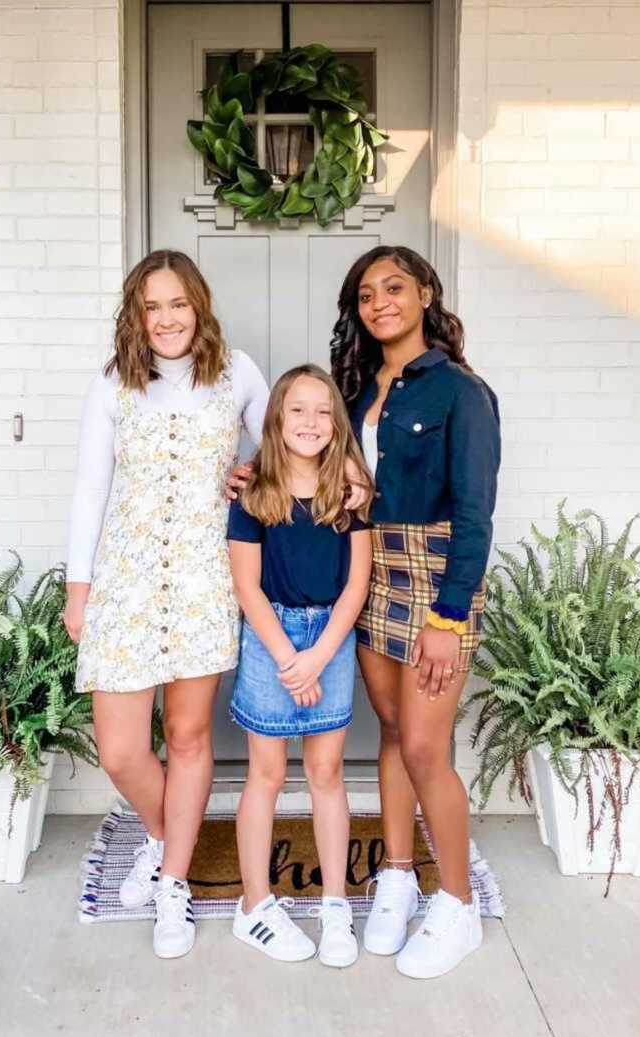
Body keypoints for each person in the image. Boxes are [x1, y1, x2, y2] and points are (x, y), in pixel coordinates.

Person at [63, 250, 268, 960]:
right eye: (153, 306)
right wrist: (77, 587)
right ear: (137, 314)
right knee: (121, 749)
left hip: (205, 581)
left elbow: (294, 449)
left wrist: (255, 472)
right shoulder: (114, 381)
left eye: (178, 303)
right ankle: (164, 834)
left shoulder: (237, 372)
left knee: (187, 738)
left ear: (198, 305)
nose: (168, 318)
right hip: (122, 580)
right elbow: (90, 489)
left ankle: (174, 882)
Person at [331, 244, 500, 979]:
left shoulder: (460, 392)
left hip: (437, 583)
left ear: (426, 293)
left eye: (394, 287)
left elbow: (476, 514)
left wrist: (449, 617)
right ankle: (397, 874)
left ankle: (456, 904)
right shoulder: (361, 388)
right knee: (394, 733)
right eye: (366, 295)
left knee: (428, 748)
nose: (379, 304)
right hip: (375, 572)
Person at [227, 366, 374, 967]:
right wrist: (290, 658)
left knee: (326, 771)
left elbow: (357, 581)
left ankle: (335, 902)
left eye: (322, 411)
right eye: (297, 410)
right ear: (276, 419)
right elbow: (246, 586)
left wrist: (320, 654)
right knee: (265, 773)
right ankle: (254, 905)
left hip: (330, 639)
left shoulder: (349, 492)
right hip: (272, 641)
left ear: (335, 422)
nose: (310, 422)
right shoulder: (254, 490)